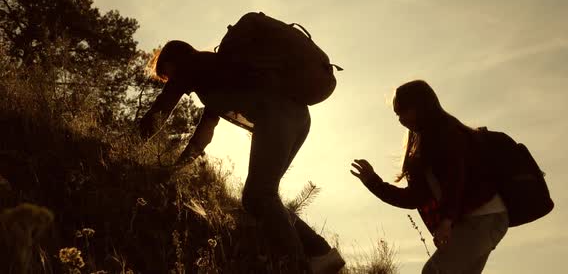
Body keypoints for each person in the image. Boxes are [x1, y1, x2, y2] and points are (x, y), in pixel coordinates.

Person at [139, 40, 345, 273]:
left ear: (172, 61)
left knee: (260, 194)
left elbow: (160, 110)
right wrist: (176, 168)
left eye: (167, 74)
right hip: (298, 119)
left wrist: (131, 144)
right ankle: (321, 253)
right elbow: (204, 136)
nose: (172, 81)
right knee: (259, 196)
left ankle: (298, 266)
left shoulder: (190, 65)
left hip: (275, 116)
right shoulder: (214, 71)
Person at [350, 80, 508, 274]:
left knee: (433, 272)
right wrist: (373, 181)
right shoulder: (423, 146)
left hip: (483, 217)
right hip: (479, 219)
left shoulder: (446, 133)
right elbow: (413, 198)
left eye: (403, 111)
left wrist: (447, 221)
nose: (400, 119)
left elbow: (455, 176)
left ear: (420, 106)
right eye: (397, 114)